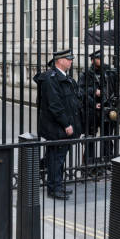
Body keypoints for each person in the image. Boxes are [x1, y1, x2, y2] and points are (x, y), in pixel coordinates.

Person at [34, 49, 83, 200]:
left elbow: (72, 102)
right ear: (60, 60)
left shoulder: (65, 78)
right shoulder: (51, 79)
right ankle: (53, 188)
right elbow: (55, 105)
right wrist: (66, 124)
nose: (71, 61)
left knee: (58, 158)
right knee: (56, 158)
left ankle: (58, 185)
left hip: (63, 126)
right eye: (68, 59)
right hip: (57, 127)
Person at [78, 49, 120, 177]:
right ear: (92, 60)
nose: (101, 60)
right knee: (90, 137)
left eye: (102, 58)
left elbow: (117, 91)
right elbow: (81, 92)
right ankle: (89, 165)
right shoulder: (86, 73)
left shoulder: (110, 72)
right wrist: (94, 94)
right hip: (92, 111)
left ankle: (107, 162)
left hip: (107, 110)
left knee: (107, 137)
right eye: (98, 58)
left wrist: (116, 106)